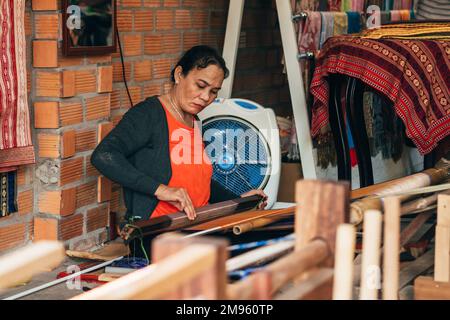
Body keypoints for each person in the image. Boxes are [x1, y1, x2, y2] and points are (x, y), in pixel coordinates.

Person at [91, 45, 268, 251]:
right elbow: (103, 155)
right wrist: (161, 190)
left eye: (213, 92)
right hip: (158, 233)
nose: (205, 97)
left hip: (198, 225)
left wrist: (239, 200)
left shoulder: (194, 120)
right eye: (200, 85)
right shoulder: (148, 115)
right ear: (179, 74)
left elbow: (198, 180)